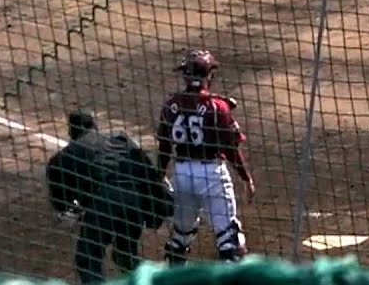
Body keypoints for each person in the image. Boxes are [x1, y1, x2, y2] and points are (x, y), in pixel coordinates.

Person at [45, 110, 174, 284]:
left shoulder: (66, 155)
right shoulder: (121, 140)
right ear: (94, 126)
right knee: (124, 255)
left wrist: (70, 208)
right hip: (135, 201)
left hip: (105, 202)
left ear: (71, 132)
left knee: (88, 258)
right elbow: (148, 170)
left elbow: (60, 198)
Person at [156, 49, 255, 265]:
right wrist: (245, 178)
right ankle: (233, 278)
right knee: (228, 236)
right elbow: (230, 148)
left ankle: (174, 275)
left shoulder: (171, 105)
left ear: (185, 76)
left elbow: (164, 146)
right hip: (211, 174)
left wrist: (160, 175)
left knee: (180, 234)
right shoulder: (218, 107)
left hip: (182, 174)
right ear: (210, 76)